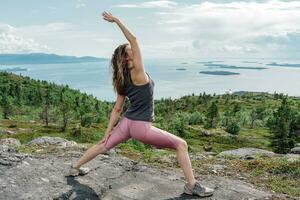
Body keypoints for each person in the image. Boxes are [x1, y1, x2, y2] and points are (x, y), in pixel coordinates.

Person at [65, 11, 214, 197]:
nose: (134, 54)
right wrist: (117, 21)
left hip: (127, 123)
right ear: (128, 58)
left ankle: (74, 167)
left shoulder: (122, 78)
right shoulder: (138, 72)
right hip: (140, 127)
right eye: (131, 53)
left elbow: (117, 109)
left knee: (103, 145)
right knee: (181, 144)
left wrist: (107, 132)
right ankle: (192, 185)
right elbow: (134, 39)